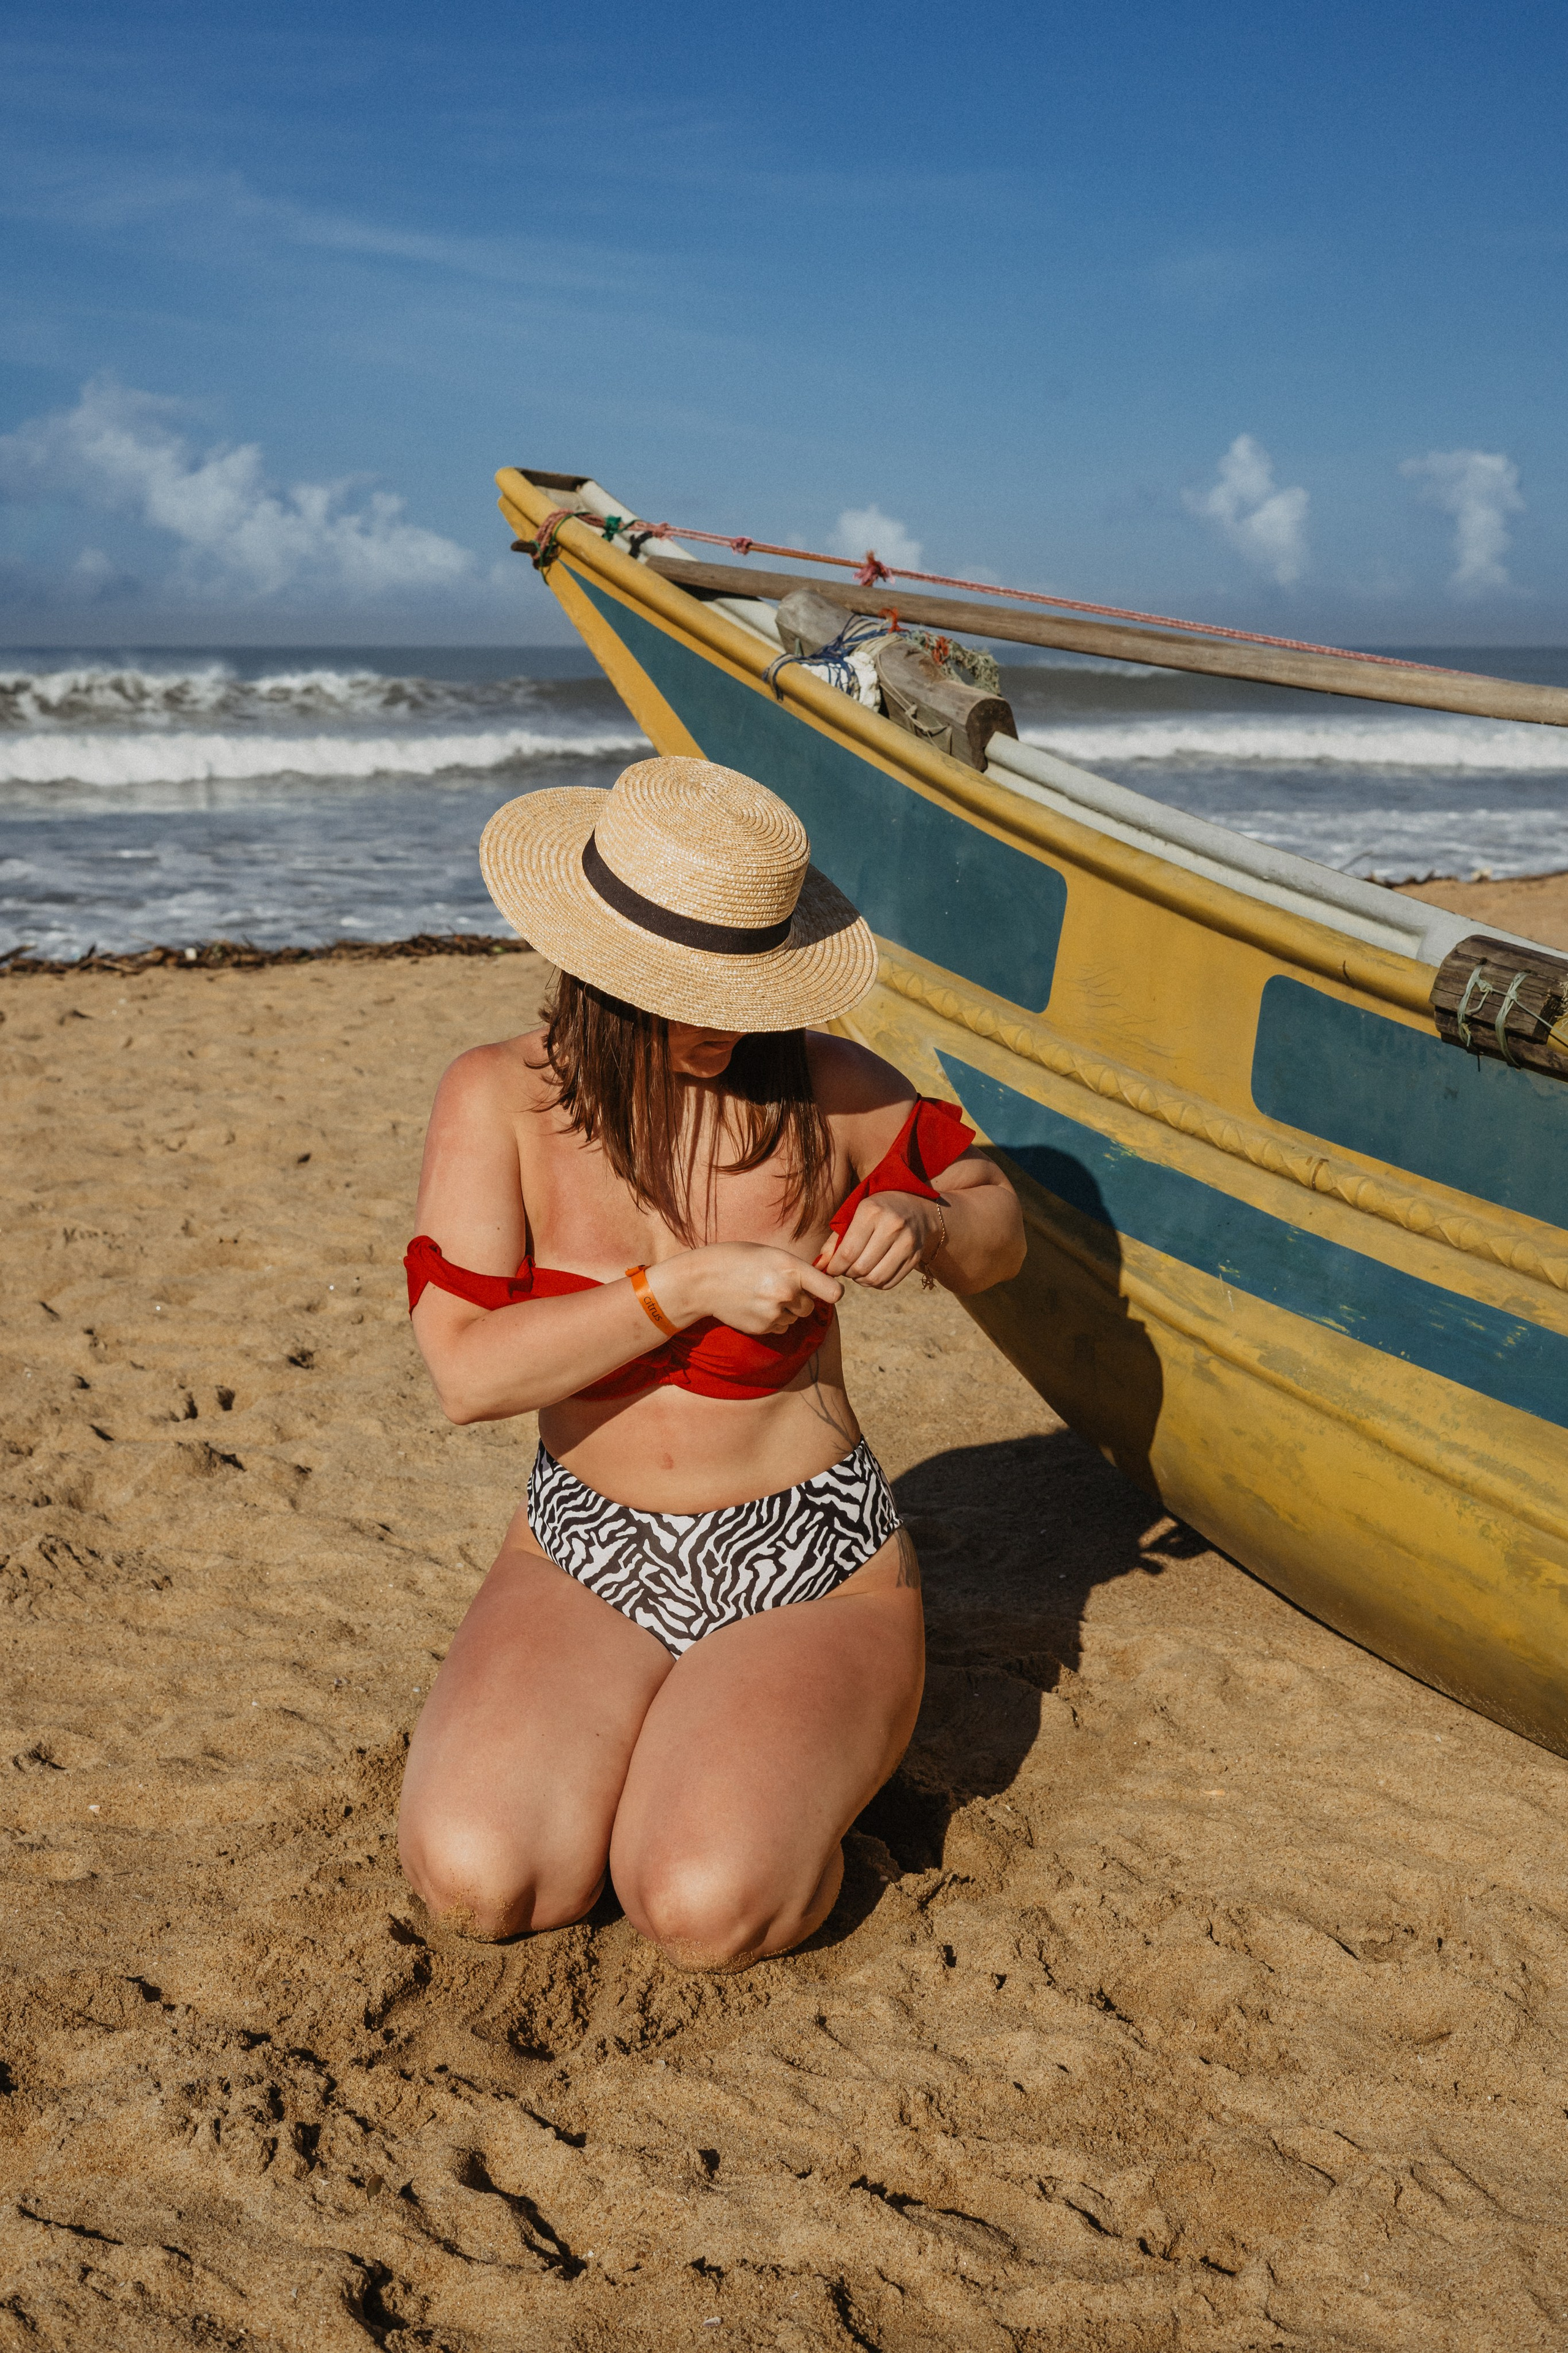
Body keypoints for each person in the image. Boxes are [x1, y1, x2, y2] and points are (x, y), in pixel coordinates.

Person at [397, 756, 1025, 1971]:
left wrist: (932, 1226)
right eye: (686, 991)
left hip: (807, 1555)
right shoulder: (496, 1102)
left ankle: (785, 1776)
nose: (723, 1023)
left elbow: (996, 1219)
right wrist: (673, 1289)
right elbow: (466, 1374)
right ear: (599, 968)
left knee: (698, 1905)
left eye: (745, 989)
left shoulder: (829, 1092)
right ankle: (692, 1751)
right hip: (584, 1545)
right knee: (482, 1880)